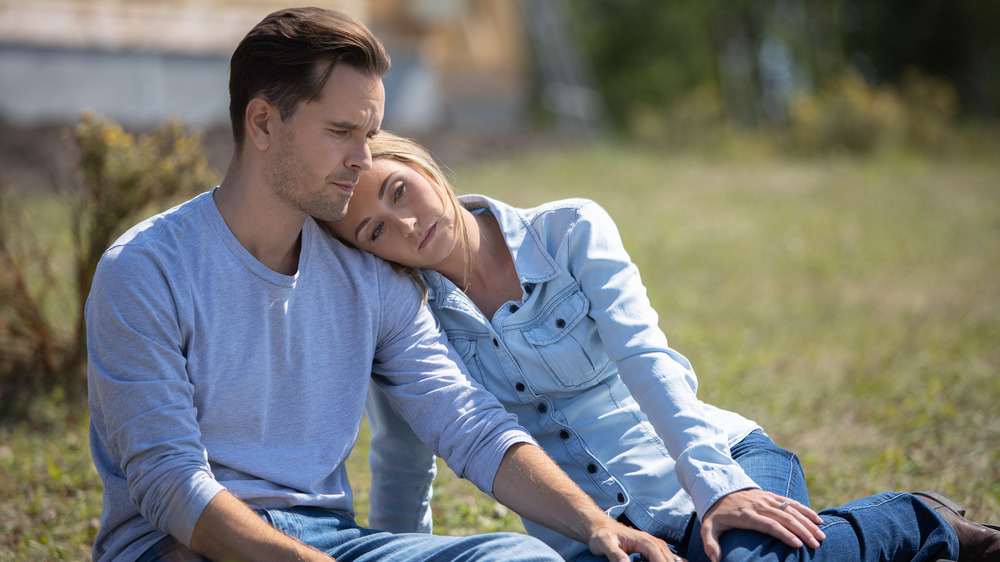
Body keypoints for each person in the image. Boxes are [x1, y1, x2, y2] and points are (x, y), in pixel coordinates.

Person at [86, 8, 681, 562]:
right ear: (263, 121)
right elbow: (168, 483)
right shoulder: (145, 269)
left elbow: (468, 422)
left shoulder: (370, 275)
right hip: (183, 544)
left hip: (331, 539)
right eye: (342, 131)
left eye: (370, 133)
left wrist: (593, 523)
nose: (363, 158)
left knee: (521, 556)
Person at [322, 131, 1000, 562]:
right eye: (376, 231)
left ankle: (915, 520)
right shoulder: (406, 327)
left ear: (422, 164)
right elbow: (403, 465)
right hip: (592, 537)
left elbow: (649, 361)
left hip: (709, 465)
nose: (408, 225)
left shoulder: (567, 231)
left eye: (400, 190)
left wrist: (716, 490)